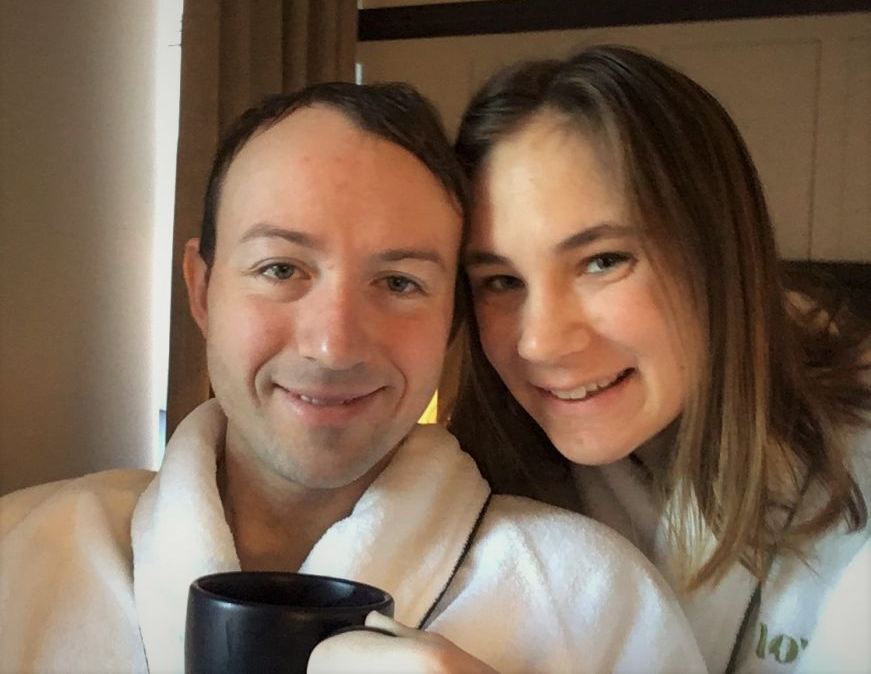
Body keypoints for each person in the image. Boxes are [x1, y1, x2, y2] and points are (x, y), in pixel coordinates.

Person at [0, 81, 705, 673]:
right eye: (281, 269)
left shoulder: (597, 603)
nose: (334, 345)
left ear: (453, 316)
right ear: (201, 287)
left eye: (399, 282)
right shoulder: (19, 559)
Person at [448, 45, 871, 673]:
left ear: (718, 255)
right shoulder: (478, 485)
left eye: (603, 260)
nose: (540, 343)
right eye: (501, 281)